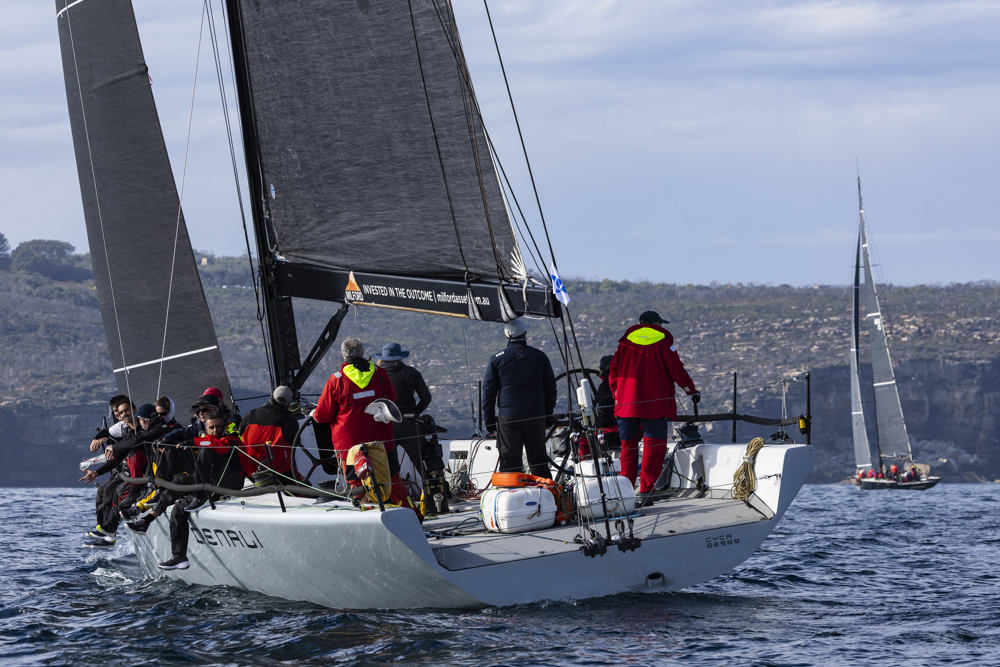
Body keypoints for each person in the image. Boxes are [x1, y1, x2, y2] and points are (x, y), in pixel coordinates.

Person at [313, 337, 418, 514]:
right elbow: (391, 399)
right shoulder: (379, 374)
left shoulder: (336, 380)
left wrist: (315, 414)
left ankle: (369, 519)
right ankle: (413, 516)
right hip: (382, 441)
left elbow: (323, 415)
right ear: (362, 353)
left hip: (351, 447)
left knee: (357, 485)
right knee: (392, 480)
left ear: (343, 355)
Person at [609, 310, 699, 498]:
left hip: (627, 405)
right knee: (654, 447)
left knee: (628, 447)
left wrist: (618, 396)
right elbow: (677, 370)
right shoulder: (663, 342)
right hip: (655, 405)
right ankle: (646, 491)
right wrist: (691, 391)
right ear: (656, 324)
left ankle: (626, 492)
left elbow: (613, 373)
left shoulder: (624, 343)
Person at [156, 413, 244, 570]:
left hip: (230, 483)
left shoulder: (232, 436)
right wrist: (183, 444)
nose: (216, 430)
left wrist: (192, 442)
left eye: (219, 427)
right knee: (178, 506)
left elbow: (219, 446)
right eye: (211, 427)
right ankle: (179, 556)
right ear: (205, 428)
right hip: (211, 482)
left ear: (224, 426)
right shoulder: (207, 439)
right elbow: (208, 442)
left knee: (205, 449)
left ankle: (199, 496)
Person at [481, 317, 557, 479]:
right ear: (525, 333)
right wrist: (547, 416)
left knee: (510, 461)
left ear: (507, 335)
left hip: (509, 418)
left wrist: (489, 422)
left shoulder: (496, 359)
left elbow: (488, 392)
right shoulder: (540, 356)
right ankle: (548, 496)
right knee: (538, 460)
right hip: (536, 415)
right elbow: (551, 389)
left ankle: (512, 498)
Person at [375, 342, 432, 471]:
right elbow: (426, 398)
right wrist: (415, 412)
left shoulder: (377, 375)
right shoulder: (411, 373)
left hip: (387, 424)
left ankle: (395, 490)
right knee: (420, 462)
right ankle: (432, 489)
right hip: (409, 423)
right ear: (400, 357)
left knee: (390, 465)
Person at [238, 385, 300, 485]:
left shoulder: (250, 415)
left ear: (271, 397)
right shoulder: (291, 422)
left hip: (250, 475)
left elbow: (239, 438)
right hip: (279, 476)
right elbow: (295, 444)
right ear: (288, 404)